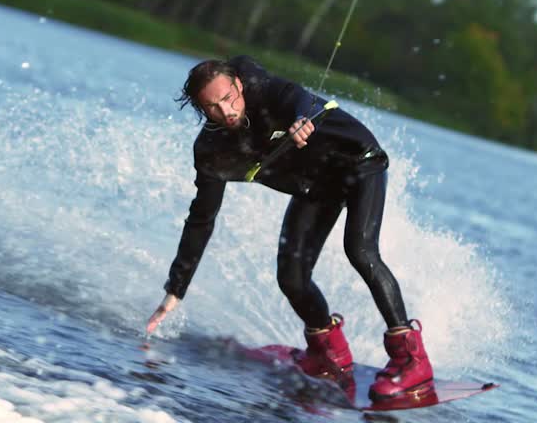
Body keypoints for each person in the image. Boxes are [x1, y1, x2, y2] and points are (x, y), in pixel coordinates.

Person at [144, 55, 434, 402]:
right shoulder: (211, 151)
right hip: (318, 185)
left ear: (238, 85)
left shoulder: (263, 90)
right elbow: (201, 218)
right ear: (200, 110)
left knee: (360, 250)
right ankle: (329, 354)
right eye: (213, 108)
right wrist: (176, 288)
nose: (227, 111)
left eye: (229, 98)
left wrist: (300, 119)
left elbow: (295, 95)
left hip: (359, 161)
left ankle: (411, 359)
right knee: (291, 276)